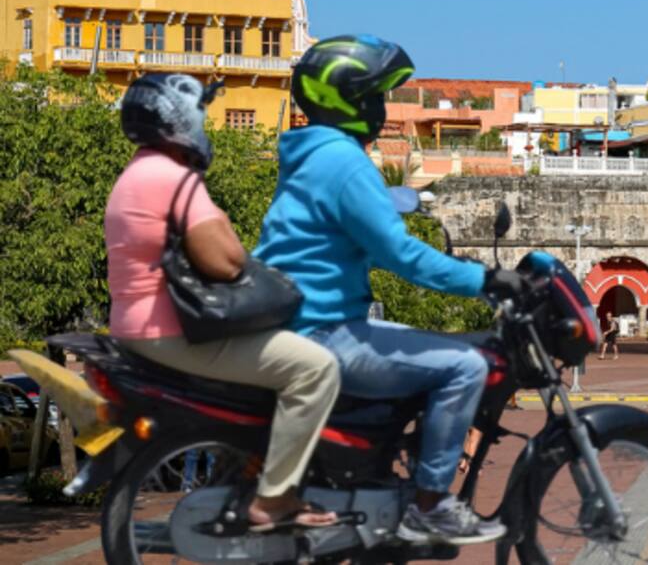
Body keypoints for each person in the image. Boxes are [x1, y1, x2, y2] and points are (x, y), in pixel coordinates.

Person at [256, 35, 517, 545]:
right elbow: (399, 254)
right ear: (347, 100)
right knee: (465, 366)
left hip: (303, 320)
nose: (381, 109)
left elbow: (355, 230)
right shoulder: (344, 162)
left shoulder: (314, 154)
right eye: (373, 96)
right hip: (324, 329)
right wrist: (483, 280)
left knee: (421, 344)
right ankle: (430, 504)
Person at [105, 74, 341, 531]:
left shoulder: (135, 174)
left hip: (135, 327)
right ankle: (273, 499)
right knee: (315, 368)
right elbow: (227, 262)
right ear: (179, 118)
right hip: (172, 331)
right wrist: (223, 222)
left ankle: (247, 470)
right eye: (201, 113)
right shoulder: (174, 179)